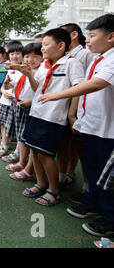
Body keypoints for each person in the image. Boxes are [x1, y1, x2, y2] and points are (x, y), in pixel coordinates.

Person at [39, 14, 113, 235]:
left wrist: (56, 95)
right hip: (94, 126)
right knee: (92, 168)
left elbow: (96, 84)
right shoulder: (100, 57)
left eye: (91, 35)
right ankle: (94, 203)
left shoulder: (111, 59)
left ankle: (109, 219)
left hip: (108, 130)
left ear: (111, 37)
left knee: (107, 176)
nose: (86, 40)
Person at [13, 28, 85, 206]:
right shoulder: (45, 66)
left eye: (46, 44)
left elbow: (79, 88)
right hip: (36, 113)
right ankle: (41, 183)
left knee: (45, 155)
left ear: (61, 46)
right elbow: (38, 88)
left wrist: (71, 114)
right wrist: (28, 74)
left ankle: (54, 189)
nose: (42, 48)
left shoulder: (71, 63)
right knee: (34, 151)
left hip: (53, 117)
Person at [57, 23, 96, 191]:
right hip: (63, 107)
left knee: (81, 146)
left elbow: (86, 84)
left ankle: (87, 185)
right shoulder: (63, 56)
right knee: (66, 144)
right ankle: (66, 173)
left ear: (73, 35)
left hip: (80, 108)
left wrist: (73, 113)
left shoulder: (85, 54)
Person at [4, 43, 43, 181]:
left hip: (30, 108)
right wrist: (7, 84)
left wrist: (30, 102)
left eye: (34, 56)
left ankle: (25, 165)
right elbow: (14, 86)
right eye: (27, 56)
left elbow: (39, 91)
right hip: (19, 104)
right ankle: (22, 162)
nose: (29, 60)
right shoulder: (25, 70)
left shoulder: (40, 71)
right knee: (21, 137)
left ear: (42, 57)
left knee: (27, 139)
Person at [0, 41, 23, 159]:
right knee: (3, 125)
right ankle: (4, 146)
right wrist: (4, 91)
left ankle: (17, 151)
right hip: (4, 101)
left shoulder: (23, 69)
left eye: (17, 53)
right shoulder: (7, 68)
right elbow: (2, 84)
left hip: (16, 103)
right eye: (11, 54)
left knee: (17, 128)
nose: (14, 56)